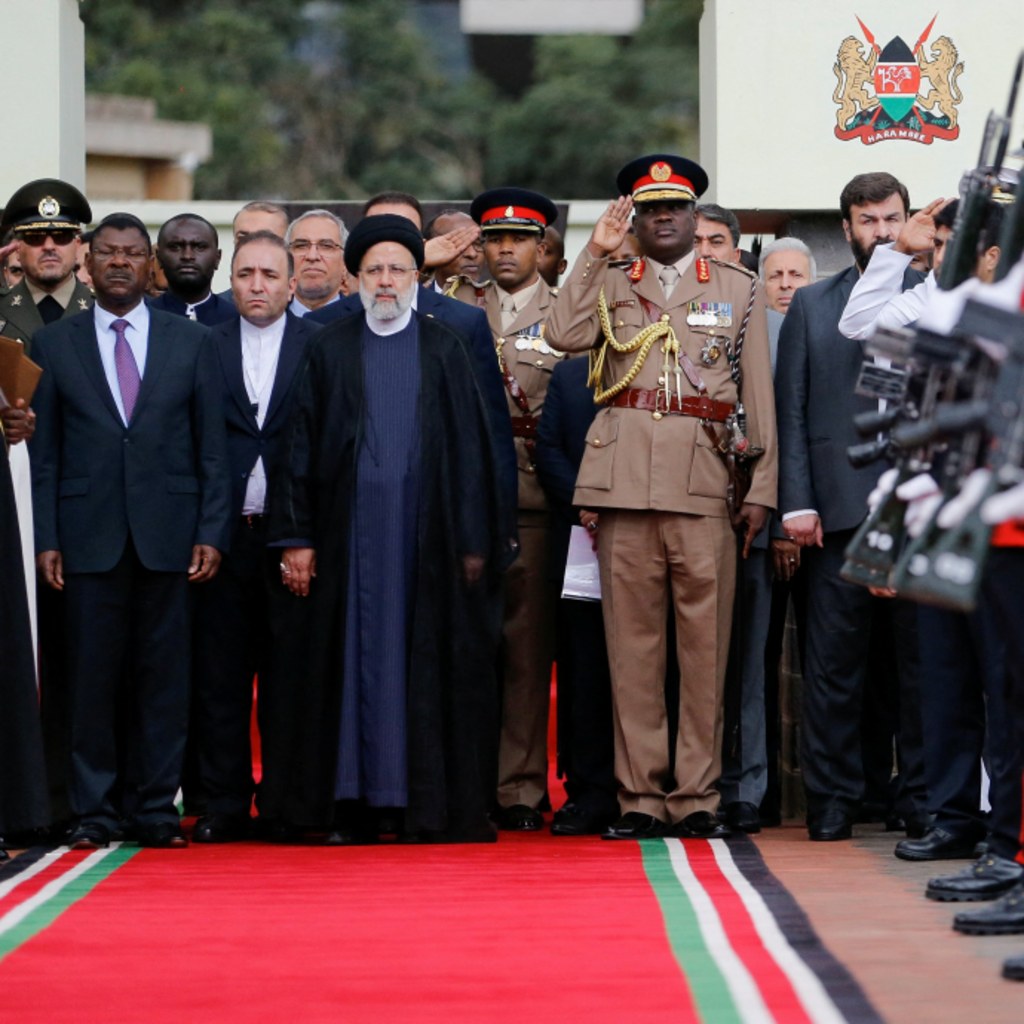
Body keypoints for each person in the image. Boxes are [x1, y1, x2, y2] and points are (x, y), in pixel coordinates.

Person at [546, 154, 777, 839]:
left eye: (675, 207)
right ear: (635, 219)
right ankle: (641, 796)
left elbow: (756, 393)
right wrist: (593, 253)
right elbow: (562, 335)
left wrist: (761, 487)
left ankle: (697, 795)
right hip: (621, 487)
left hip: (704, 484)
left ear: (694, 215)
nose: (664, 217)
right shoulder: (612, 277)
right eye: (650, 210)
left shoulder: (736, 286)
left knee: (705, 654)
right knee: (632, 651)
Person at [268, 214, 507, 844]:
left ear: (417, 277)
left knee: (420, 664)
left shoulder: (446, 347)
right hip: (345, 544)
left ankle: (413, 803)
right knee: (345, 670)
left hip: (426, 544)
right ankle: (347, 802)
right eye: (373, 269)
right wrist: (297, 539)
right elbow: (295, 449)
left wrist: (476, 543)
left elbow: (473, 452)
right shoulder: (327, 345)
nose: (384, 281)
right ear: (355, 275)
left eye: (397, 269)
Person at [29, 212, 231, 850]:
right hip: (86, 539)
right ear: (88, 264)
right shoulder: (55, 344)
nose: (119, 263)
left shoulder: (192, 343)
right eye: (108, 253)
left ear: (152, 266)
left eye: (132, 254)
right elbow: (45, 455)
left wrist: (212, 530)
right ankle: (96, 811)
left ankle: (153, 810)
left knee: (163, 681)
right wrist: (46, 537)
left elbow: (212, 452)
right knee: (91, 681)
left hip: (171, 537)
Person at [775, 171, 928, 841]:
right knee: (834, 669)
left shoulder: (938, 299)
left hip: (917, 515)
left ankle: (916, 798)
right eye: (868, 221)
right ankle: (834, 799)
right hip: (833, 515)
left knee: (919, 669)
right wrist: (796, 504)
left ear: (910, 221)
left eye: (891, 219)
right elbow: (794, 409)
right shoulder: (812, 304)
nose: (881, 232)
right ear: (846, 228)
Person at [190, 231, 317, 843]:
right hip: (223, 538)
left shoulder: (319, 345)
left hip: (291, 538)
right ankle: (224, 802)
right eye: (245, 275)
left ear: (292, 285)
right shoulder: (200, 346)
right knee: (221, 676)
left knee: (291, 676)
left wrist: (304, 534)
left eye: (270, 275)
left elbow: (324, 450)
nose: (257, 285)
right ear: (230, 282)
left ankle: (288, 802)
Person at [448, 187, 563, 832]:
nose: (506, 250)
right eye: (494, 240)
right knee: (466, 648)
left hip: (532, 502)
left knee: (524, 653)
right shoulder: (454, 309)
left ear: (542, 248)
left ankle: (518, 787)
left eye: (519, 239)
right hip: (462, 504)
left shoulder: (568, 314)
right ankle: (464, 778)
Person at [534, 355, 618, 835]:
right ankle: (589, 790)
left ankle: (646, 786)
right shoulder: (570, 373)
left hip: (644, 532)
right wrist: (586, 503)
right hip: (582, 539)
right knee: (584, 666)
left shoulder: (661, 360)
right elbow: (548, 449)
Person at [0, 178, 94, 352]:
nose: (49, 246)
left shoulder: (103, 308)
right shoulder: (2, 307)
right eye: (36, 238)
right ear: (18, 250)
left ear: (77, 245)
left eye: (61, 237)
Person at [150, 213, 236, 325]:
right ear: (159, 257)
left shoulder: (238, 321)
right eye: (175, 247)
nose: (187, 256)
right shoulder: (144, 318)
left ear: (217, 258)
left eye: (199, 247)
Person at [285, 209, 349, 316]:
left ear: (345, 262)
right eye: (301, 246)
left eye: (326, 246)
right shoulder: (266, 319)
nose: (312, 256)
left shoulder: (364, 322)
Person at [424, 209, 484, 289]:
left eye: (478, 244)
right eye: (459, 244)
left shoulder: (498, 299)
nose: (472, 254)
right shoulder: (416, 299)